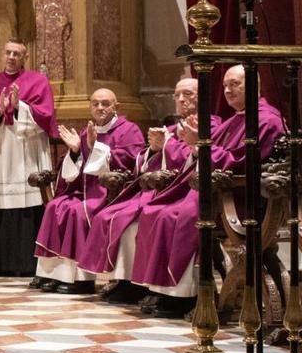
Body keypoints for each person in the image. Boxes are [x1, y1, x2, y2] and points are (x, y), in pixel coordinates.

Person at [131, 65, 287, 318]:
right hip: (217, 190)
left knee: (174, 216)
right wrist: (196, 147)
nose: (227, 90)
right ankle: (165, 291)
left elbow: (240, 165)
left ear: (254, 85)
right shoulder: (239, 118)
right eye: (225, 85)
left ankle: (184, 296)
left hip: (240, 199)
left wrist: (197, 146)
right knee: (155, 210)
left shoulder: (266, 119)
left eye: (235, 84)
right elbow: (216, 155)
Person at [76, 78, 215, 305]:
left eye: (188, 94)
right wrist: (152, 150)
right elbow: (140, 162)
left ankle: (170, 291)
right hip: (160, 190)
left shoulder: (212, 125)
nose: (181, 99)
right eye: (177, 95)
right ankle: (127, 281)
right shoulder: (169, 129)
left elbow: (201, 162)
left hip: (187, 193)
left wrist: (177, 145)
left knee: (156, 218)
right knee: (110, 216)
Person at [32, 88, 145, 295]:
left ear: (116, 107)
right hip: (84, 191)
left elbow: (131, 162)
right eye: (95, 103)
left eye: (105, 103)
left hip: (111, 195)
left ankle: (81, 279)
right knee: (56, 207)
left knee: (77, 212)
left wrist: (96, 148)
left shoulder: (129, 130)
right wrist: (75, 152)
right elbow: (76, 171)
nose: (100, 108)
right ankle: (56, 274)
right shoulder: (86, 132)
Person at [0, 39, 55, 277]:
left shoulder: (38, 82)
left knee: (27, 199)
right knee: (0, 201)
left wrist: (20, 108)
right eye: (7, 52)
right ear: (2, 55)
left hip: (25, 147)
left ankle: (28, 263)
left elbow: (45, 114)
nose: (11, 57)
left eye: (16, 53)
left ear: (24, 58)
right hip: (0, 146)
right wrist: (0, 110)